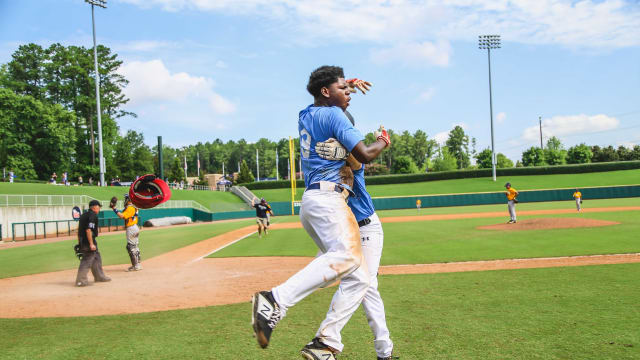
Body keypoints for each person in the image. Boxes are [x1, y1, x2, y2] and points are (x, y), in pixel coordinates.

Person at [251, 65, 390, 359]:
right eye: (344, 89)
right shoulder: (335, 116)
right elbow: (363, 154)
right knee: (348, 258)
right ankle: (274, 300)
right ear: (327, 92)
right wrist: (384, 141)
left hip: (313, 202)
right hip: (329, 201)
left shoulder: (306, 115)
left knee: (359, 278)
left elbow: (324, 96)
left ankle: (325, 343)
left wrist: (344, 84)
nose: (349, 93)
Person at [313, 109, 397, 358]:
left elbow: (359, 162)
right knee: (367, 289)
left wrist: (346, 150)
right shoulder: (324, 158)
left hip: (367, 228)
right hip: (343, 231)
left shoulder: (351, 156)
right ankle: (385, 352)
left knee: (363, 284)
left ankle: (327, 341)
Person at [75, 200, 111, 286]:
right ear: (94, 207)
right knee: (87, 259)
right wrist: (91, 243)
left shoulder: (84, 215)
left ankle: (99, 276)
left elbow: (79, 230)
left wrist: (80, 242)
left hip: (85, 239)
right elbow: (88, 229)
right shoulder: (93, 215)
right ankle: (80, 280)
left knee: (96, 257)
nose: (99, 209)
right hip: (88, 241)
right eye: (99, 207)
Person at [110, 194, 142, 271]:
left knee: (130, 247)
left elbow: (122, 216)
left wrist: (114, 208)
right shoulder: (134, 207)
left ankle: (136, 265)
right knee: (135, 247)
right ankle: (137, 264)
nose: (125, 200)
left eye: (126, 199)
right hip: (134, 227)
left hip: (131, 228)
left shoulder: (130, 208)